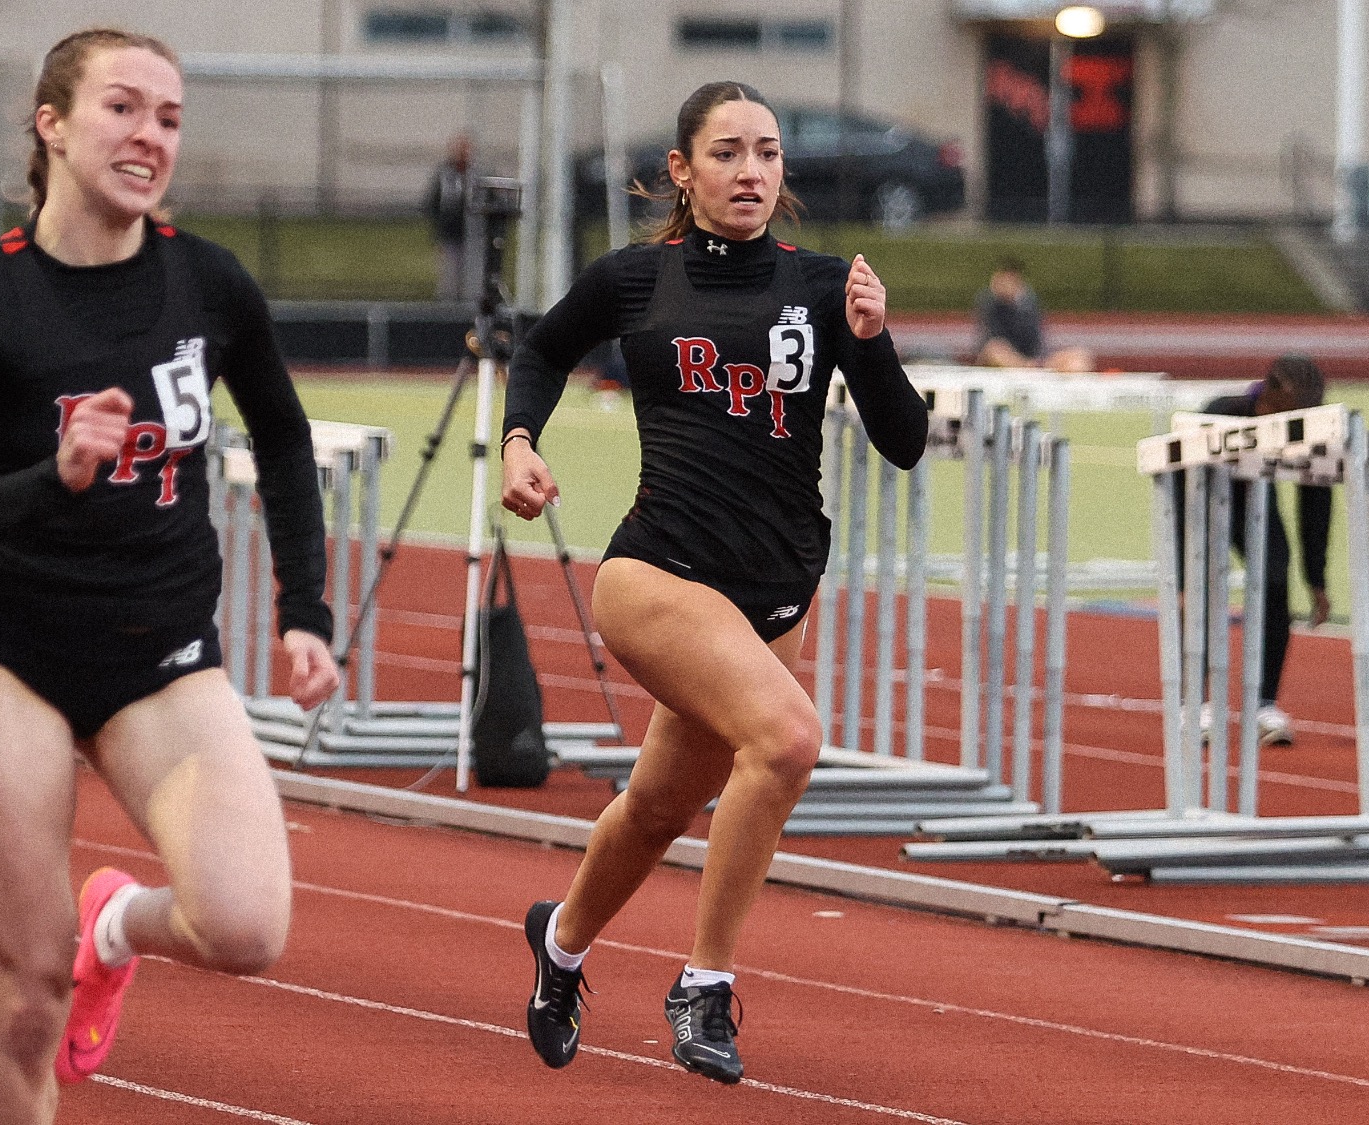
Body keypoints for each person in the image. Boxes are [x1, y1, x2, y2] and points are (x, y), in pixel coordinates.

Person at [0, 29, 339, 1123]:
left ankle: (115, 925)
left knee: (246, 927)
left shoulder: (207, 282)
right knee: (28, 994)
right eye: (123, 108)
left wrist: (305, 610)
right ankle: (64, 960)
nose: (150, 137)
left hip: (162, 654)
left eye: (170, 118)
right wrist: (53, 477)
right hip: (10, 658)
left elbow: (283, 439)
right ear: (51, 124)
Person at [500, 80, 927, 1085]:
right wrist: (519, 440)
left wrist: (872, 343)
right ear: (682, 171)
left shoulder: (823, 285)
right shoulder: (634, 279)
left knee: (656, 808)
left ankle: (559, 942)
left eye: (767, 153)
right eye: (727, 152)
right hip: (658, 571)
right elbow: (541, 349)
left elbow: (904, 442)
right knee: (786, 742)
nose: (750, 172)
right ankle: (704, 983)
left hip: (776, 592)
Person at [1190, 354, 1334, 746]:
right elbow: (1182, 485)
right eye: (1290, 413)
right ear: (1268, 398)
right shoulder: (1222, 412)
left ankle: (1264, 704)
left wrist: (1316, 579)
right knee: (1203, 590)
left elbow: (1315, 502)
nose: (1297, 422)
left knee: (1274, 580)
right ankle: (1195, 703)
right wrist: (1184, 572)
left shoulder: (1312, 427)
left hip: (1256, 503)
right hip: (1202, 502)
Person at [971, 257, 1092, 373]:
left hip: (1033, 360)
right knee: (995, 349)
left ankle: (1030, 370)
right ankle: (1025, 370)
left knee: (1080, 356)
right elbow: (992, 339)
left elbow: (1037, 338)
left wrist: (1038, 361)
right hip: (1007, 357)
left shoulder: (1029, 303)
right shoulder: (989, 303)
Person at [425, 133, 472, 301]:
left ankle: (468, 305)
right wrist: (439, 229)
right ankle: (448, 306)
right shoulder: (444, 173)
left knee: (470, 276)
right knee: (450, 276)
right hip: (450, 233)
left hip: (472, 234)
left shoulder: (475, 173)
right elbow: (432, 202)